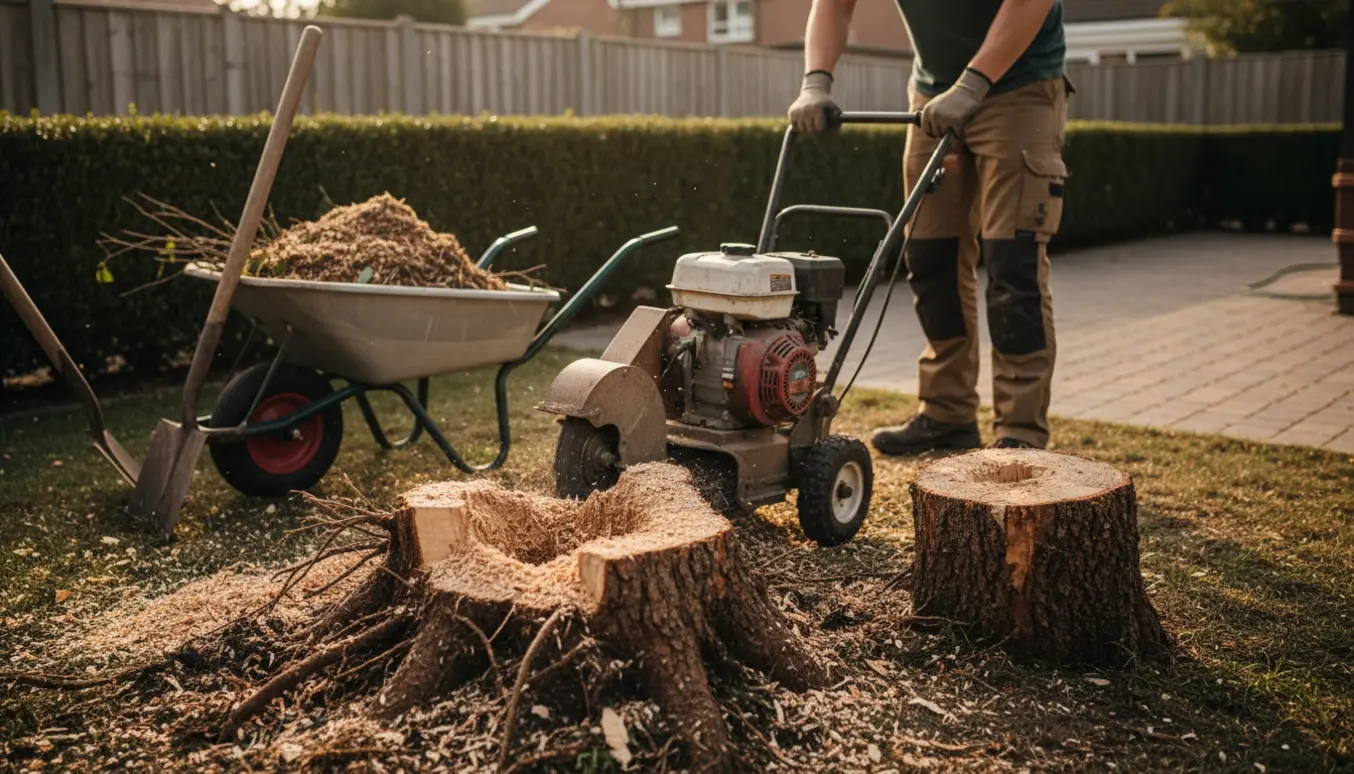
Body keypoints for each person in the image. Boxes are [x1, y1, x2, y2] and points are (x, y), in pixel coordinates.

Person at [789, 0, 1071, 453]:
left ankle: (1020, 431)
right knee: (930, 257)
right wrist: (815, 82)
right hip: (932, 95)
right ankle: (948, 413)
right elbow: (834, 5)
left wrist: (973, 83)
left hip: (1021, 86)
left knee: (1012, 261)